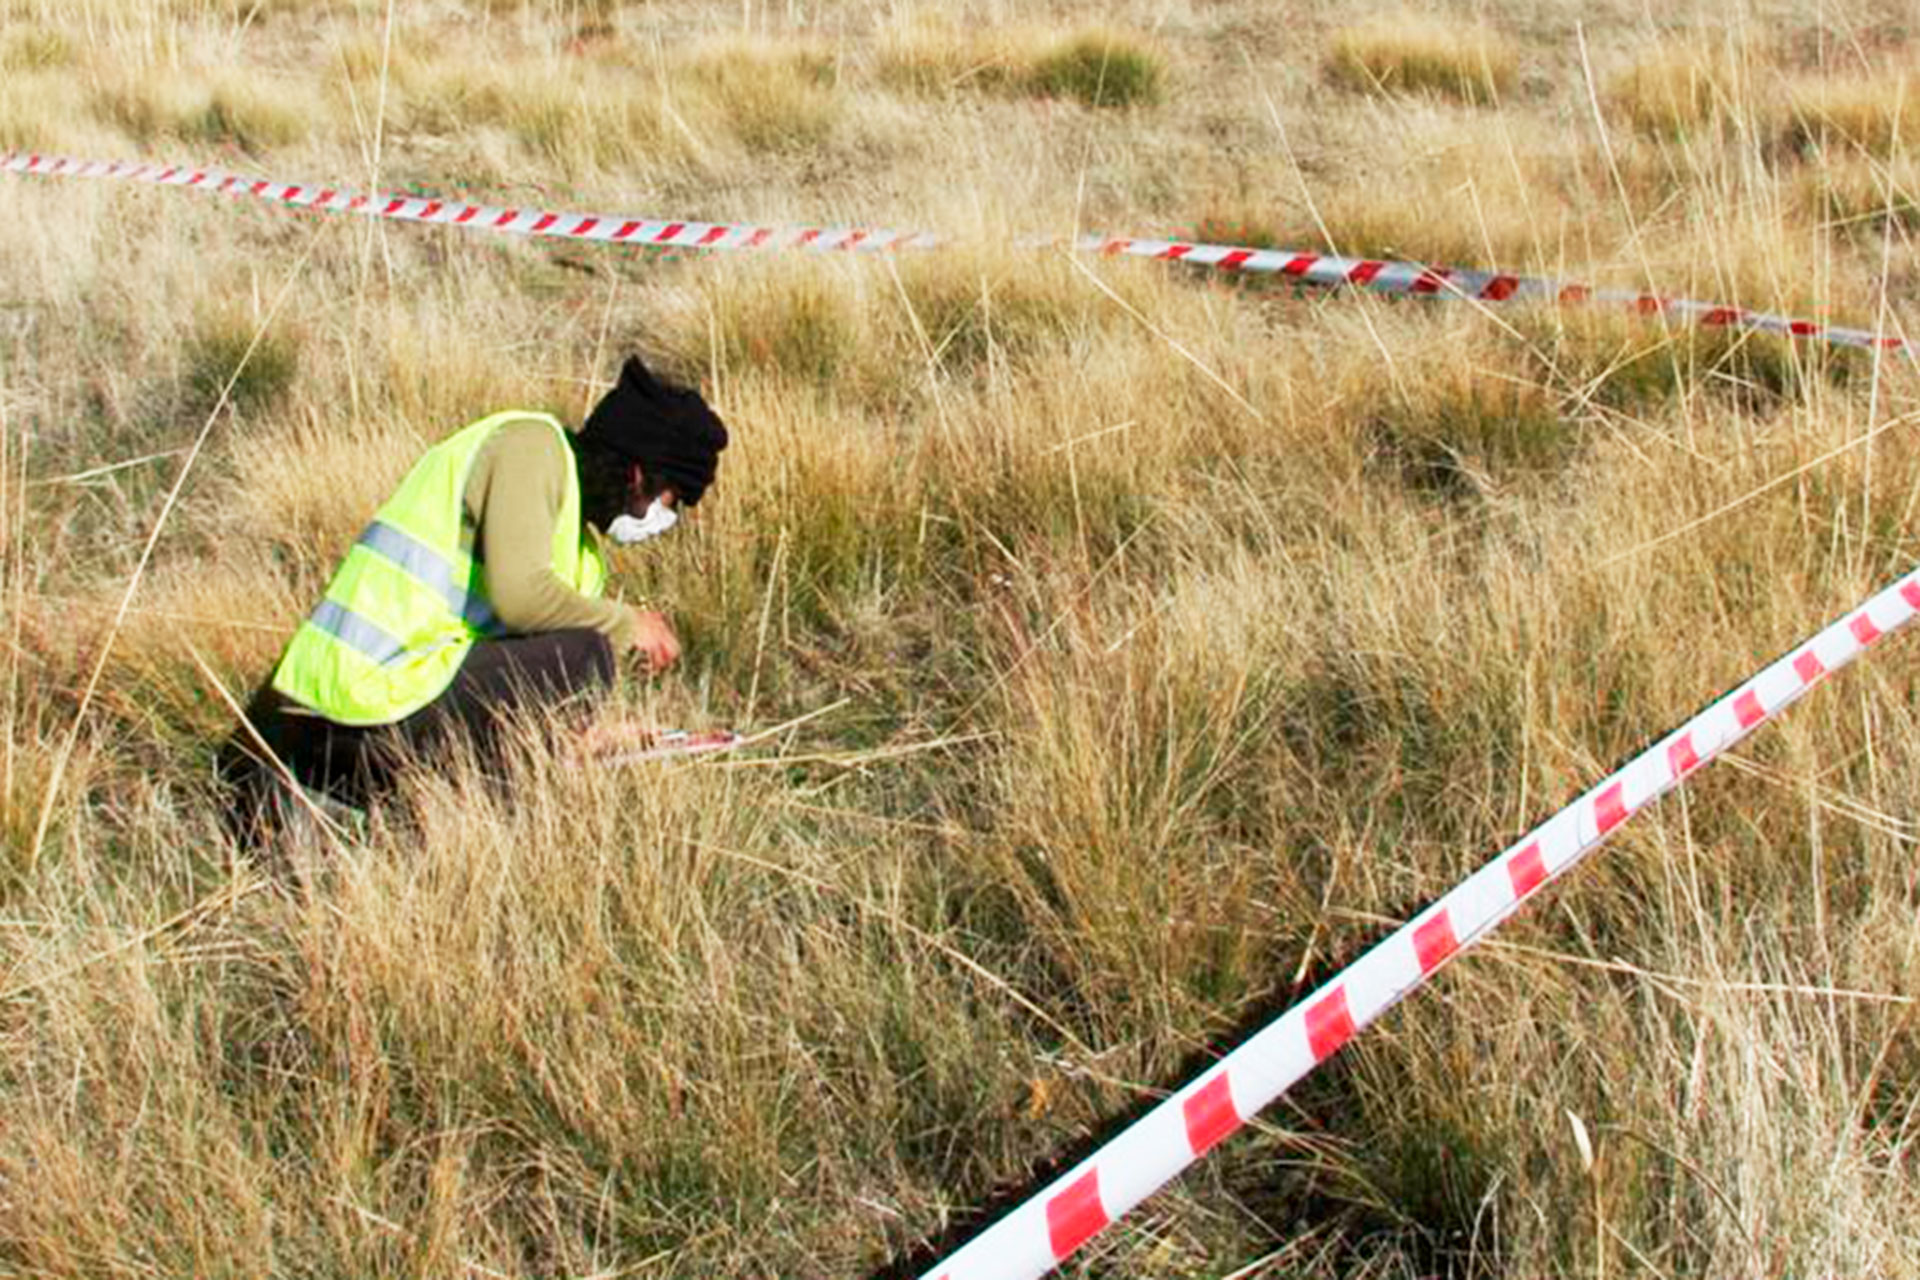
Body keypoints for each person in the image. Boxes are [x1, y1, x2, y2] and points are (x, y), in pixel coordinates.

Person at [217, 353, 729, 837]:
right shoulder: (531, 449)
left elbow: (506, 676)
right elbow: (520, 597)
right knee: (586, 653)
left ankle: (393, 813)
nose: (665, 521)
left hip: (381, 705)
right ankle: (313, 791)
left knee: (574, 661)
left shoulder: (578, 548)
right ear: (639, 473)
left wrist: (600, 735)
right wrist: (625, 624)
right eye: (671, 503)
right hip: (341, 707)